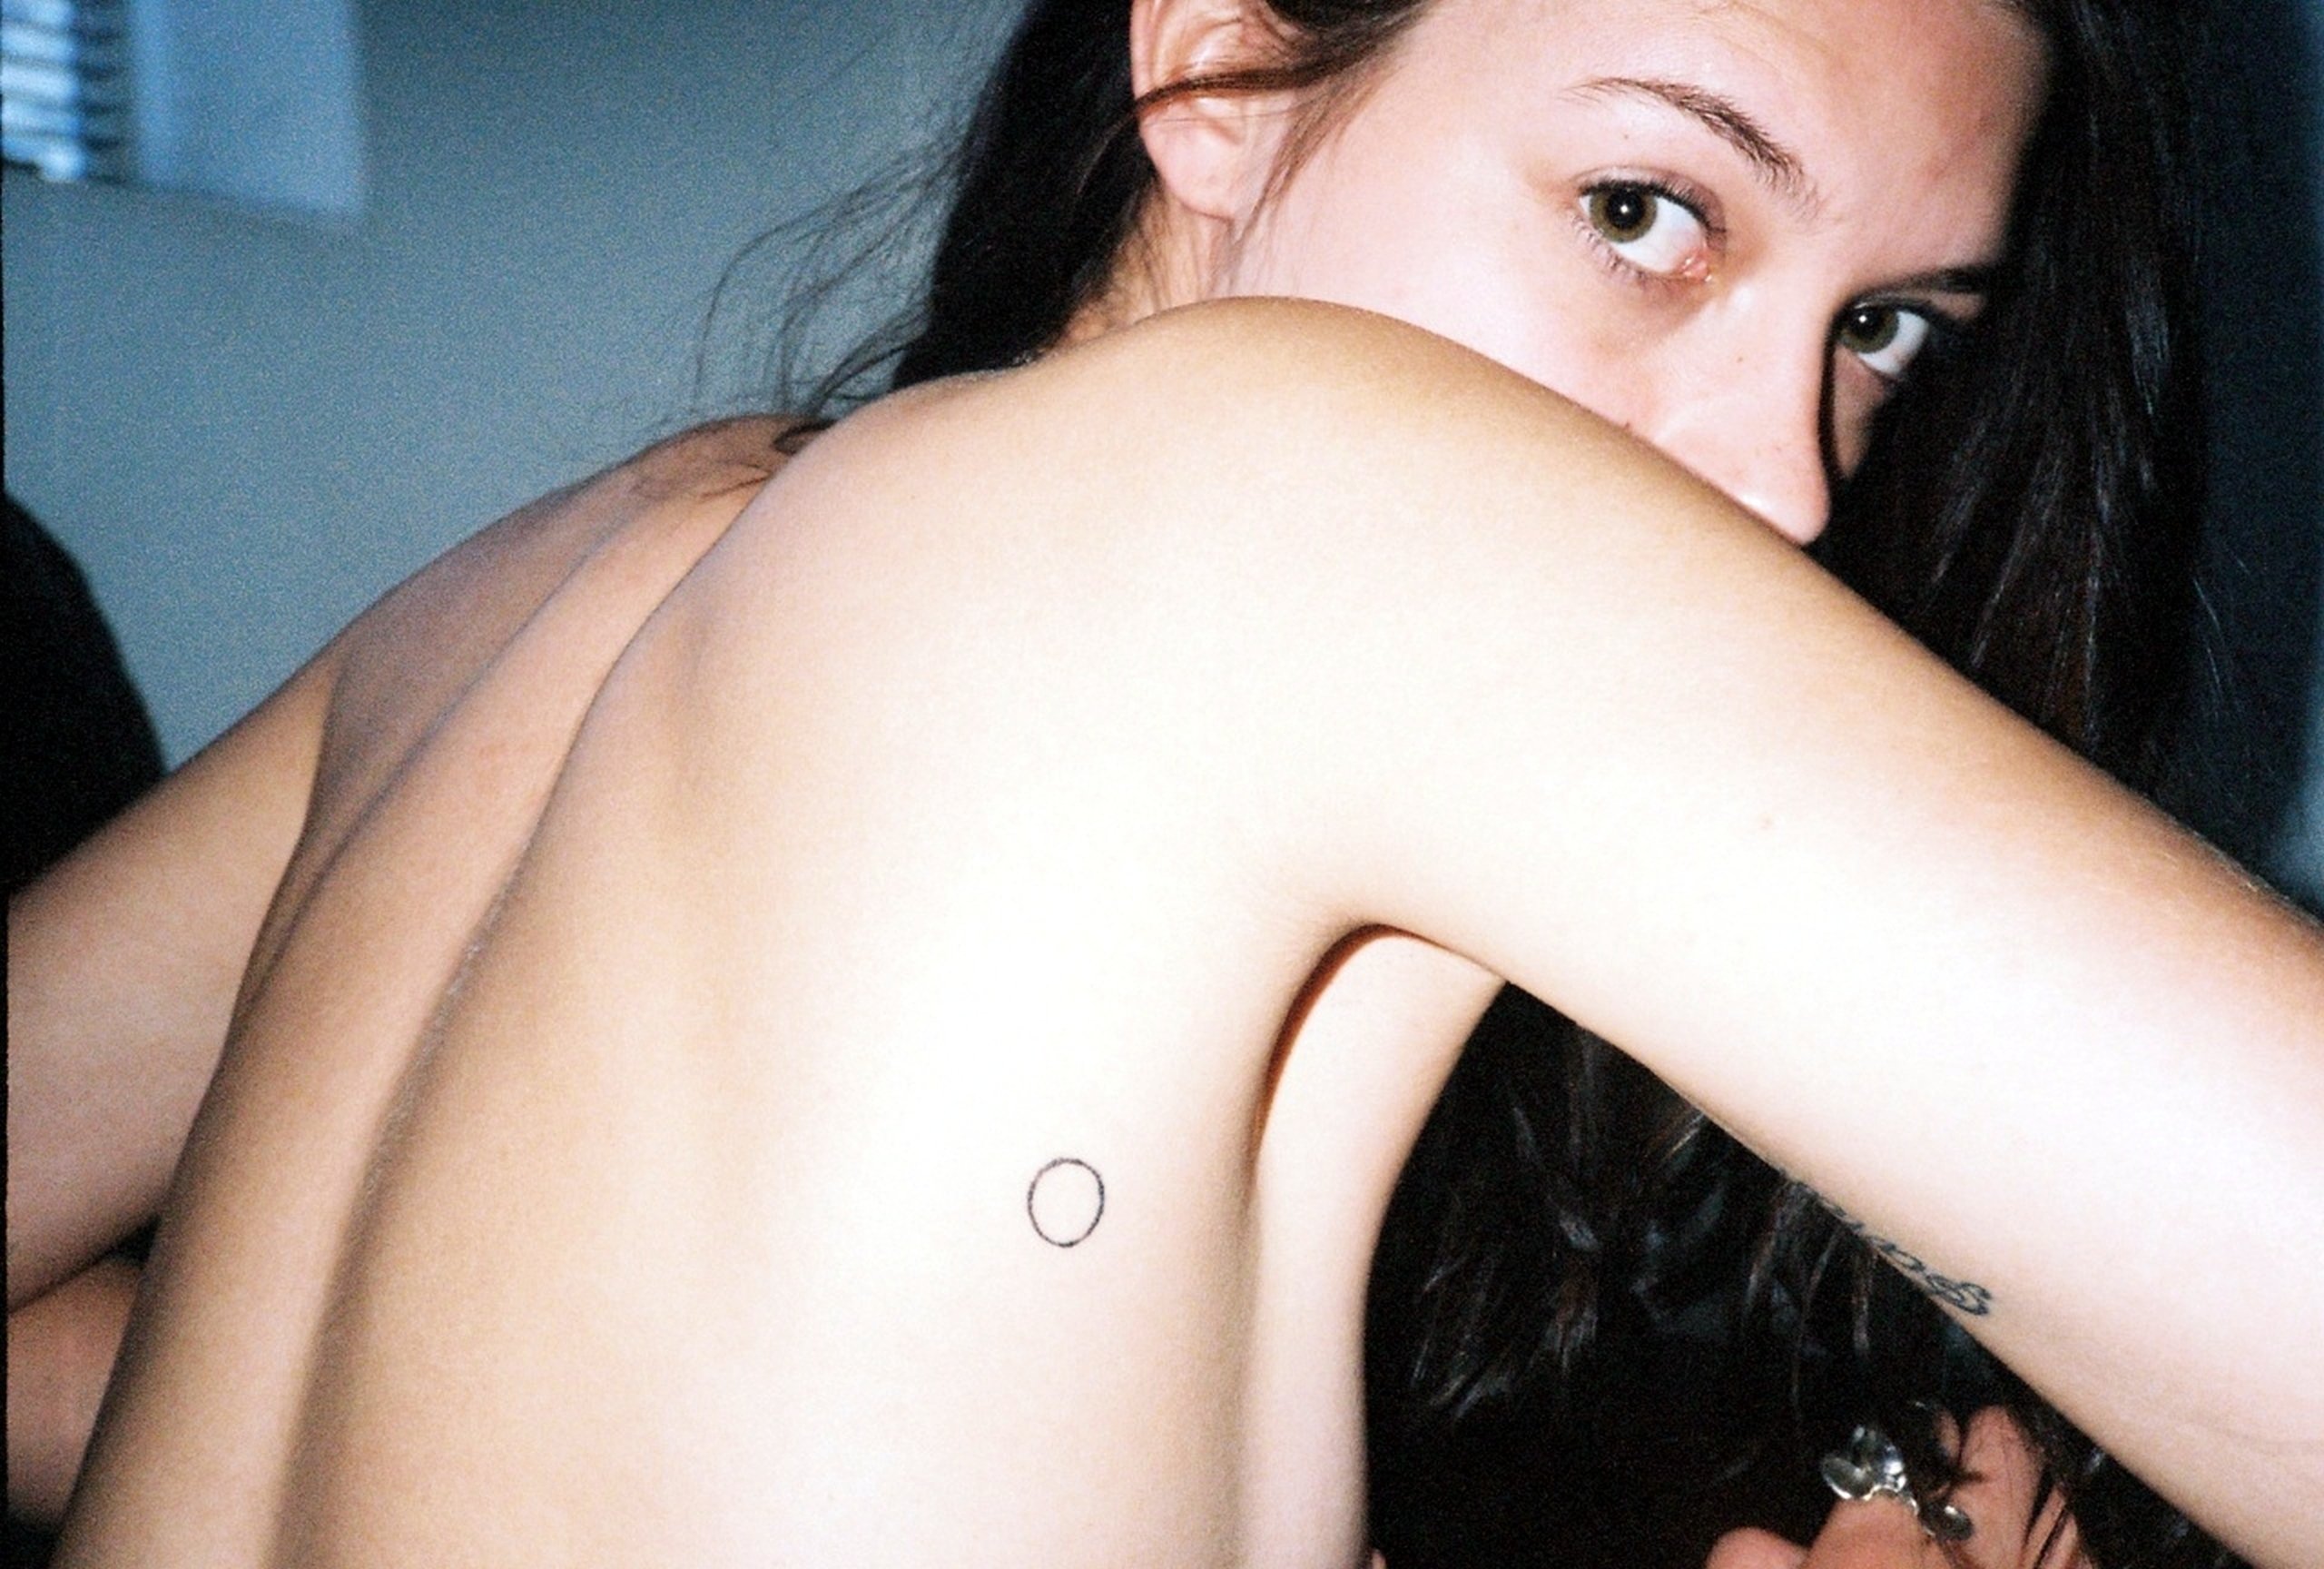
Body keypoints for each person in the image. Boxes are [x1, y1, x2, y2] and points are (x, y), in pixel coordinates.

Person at [7, 3, 2321, 1567]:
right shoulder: (1300, 474)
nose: (1787, 488)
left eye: (1881, 330)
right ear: (1211, 58)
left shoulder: (559, 572)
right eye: (1640, 209)